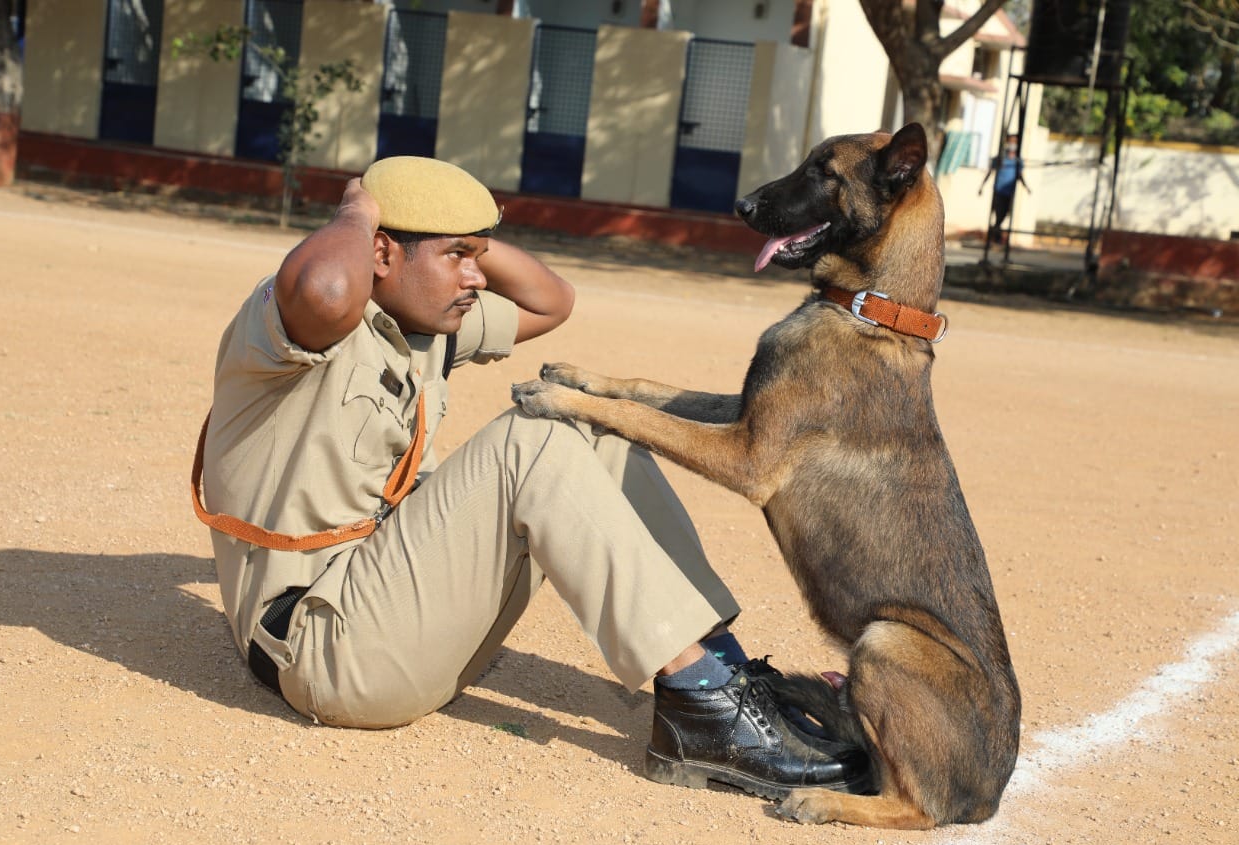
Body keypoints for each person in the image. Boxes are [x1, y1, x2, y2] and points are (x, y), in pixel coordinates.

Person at [195, 156, 866, 798]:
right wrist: (357, 207)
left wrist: (465, 225)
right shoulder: (295, 326)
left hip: (395, 621)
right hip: (322, 651)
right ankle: (706, 711)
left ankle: (718, 676)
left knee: (587, 421)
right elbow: (327, 288)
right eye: (457, 256)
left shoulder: (422, 321)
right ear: (380, 253)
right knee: (532, 438)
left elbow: (552, 299)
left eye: (477, 256)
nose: (476, 276)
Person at [979, 133, 1030, 243]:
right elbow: (990, 172)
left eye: (1015, 142)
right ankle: (995, 235)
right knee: (999, 213)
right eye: (1011, 141)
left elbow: (1020, 175)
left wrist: (1026, 187)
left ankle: (995, 232)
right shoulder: (1000, 158)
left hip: (1010, 192)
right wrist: (982, 186)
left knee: (1004, 215)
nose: (1012, 144)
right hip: (999, 190)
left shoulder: (1017, 161)